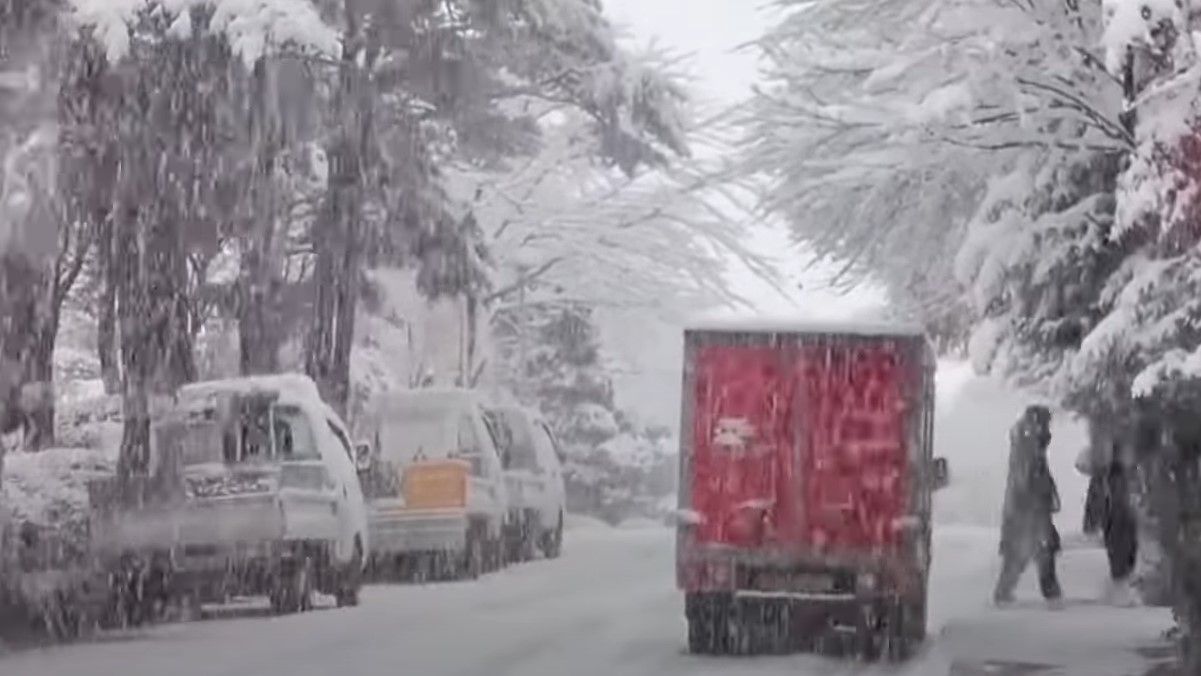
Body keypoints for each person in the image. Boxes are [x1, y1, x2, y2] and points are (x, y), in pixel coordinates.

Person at [994, 405, 1063, 606]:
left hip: (1025, 506)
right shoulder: (1028, 447)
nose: (1048, 432)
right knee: (1036, 548)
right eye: (1046, 425)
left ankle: (1006, 590)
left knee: (1025, 550)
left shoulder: (1027, 444)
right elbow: (1027, 478)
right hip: (1028, 507)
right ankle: (1050, 593)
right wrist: (1040, 499)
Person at [1084, 453, 1139, 605]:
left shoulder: (1132, 471)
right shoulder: (1103, 475)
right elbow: (1095, 498)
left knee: (1129, 552)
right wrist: (1091, 522)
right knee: (1118, 553)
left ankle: (1121, 589)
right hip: (1114, 517)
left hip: (1126, 517)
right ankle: (1120, 591)